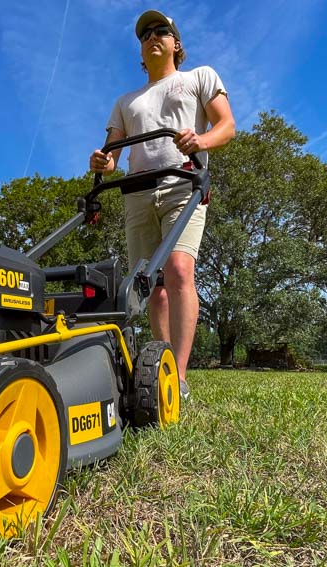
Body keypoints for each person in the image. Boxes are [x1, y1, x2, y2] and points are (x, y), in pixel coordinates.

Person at [89, 9, 235, 399]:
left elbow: (227, 127)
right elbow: (112, 154)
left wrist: (200, 141)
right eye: (145, 35)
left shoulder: (199, 77)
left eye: (161, 31)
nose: (152, 37)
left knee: (179, 271)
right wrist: (103, 162)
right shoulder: (125, 101)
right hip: (137, 192)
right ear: (140, 50)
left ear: (176, 43)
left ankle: (179, 378)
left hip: (183, 184)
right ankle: (160, 367)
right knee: (151, 285)